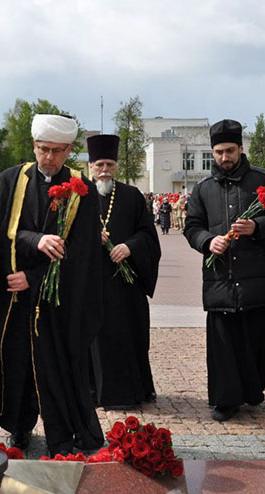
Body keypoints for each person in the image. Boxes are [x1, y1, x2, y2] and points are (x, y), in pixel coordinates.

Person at [0, 114, 104, 456]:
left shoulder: (82, 189)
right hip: (13, 295)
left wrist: (35, 277)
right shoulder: (12, 179)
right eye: (44, 149)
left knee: (56, 365)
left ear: (69, 150)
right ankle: (19, 427)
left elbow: (85, 250)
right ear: (34, 146)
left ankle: (61, 434)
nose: (49, 158)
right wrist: (34, 241)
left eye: (58, 151)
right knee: (16, 363)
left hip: (58, 300)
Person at [184, 119, 265, 422]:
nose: (224, 157)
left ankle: (252, 392)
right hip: (220, 279)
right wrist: (208, 241)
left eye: (230, 150)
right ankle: (225, 400)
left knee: (255, 338)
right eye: (218, 152)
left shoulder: (263, 180)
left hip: (256, 279)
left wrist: (257, 226)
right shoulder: (204, 188)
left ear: (241, 148)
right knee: (222, 344)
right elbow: (192, 227)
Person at [86, 134, 162, 409]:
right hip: (92, 283)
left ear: (116, 166)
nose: (104, 170)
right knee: (93, 339)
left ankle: (132, 390)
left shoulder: (131, 196)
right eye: (99, 165)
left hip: (125, 286)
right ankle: (95, 391)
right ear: (91, 166)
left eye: (109, 164)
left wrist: (129, 247)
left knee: (129, 335)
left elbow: (148, 236)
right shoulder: (79, 196)